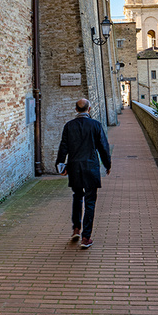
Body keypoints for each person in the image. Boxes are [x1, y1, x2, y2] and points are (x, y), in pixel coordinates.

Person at [56, 98, 111, 249]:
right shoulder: (95, 125)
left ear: (76, 109)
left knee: (77, 197)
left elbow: (63, 147)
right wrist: (107, 164)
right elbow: (103, 147)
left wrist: (61, 165)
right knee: (90, 202)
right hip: (91, 167)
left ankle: (76, 228)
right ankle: (86, 238)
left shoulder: (69, 126)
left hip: (74, 167)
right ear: (89, 109)